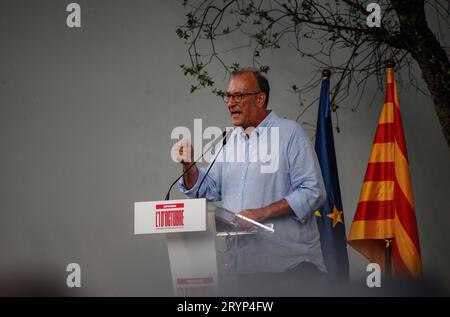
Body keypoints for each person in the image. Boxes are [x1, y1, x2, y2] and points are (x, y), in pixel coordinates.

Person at [176, 68, 327, 295]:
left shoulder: (289, 133)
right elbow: (205, 190)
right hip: (243, 274)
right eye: (228, 96)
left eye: (238, 96)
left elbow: (313, 192)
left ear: (260, 98)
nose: (230, 103)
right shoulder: (229, 143)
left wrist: (261, 213)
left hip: (291, 270)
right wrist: (188, 164)